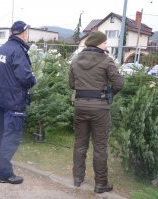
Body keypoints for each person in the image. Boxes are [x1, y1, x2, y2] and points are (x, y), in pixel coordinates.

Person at [69, 31, 124, 193]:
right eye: (105, 43)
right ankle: (100, 184)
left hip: (80, 106)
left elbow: (72, 84)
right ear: (99, 44)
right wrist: (108, 93)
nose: (106, 45)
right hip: (100, 109)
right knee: (100, 147)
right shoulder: (107, 61)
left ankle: (77, 179)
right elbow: (119, 83)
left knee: (80, 144)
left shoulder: (76, 60)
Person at [0, 20, 37, 184]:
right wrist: (34, 79)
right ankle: (4, 174)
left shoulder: (3, 48)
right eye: (27, 33)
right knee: (11, 136)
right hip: (14, 100)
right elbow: (25, 78)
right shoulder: (18, 51)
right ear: (24, 33)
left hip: (1, 98)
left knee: (0, 131)